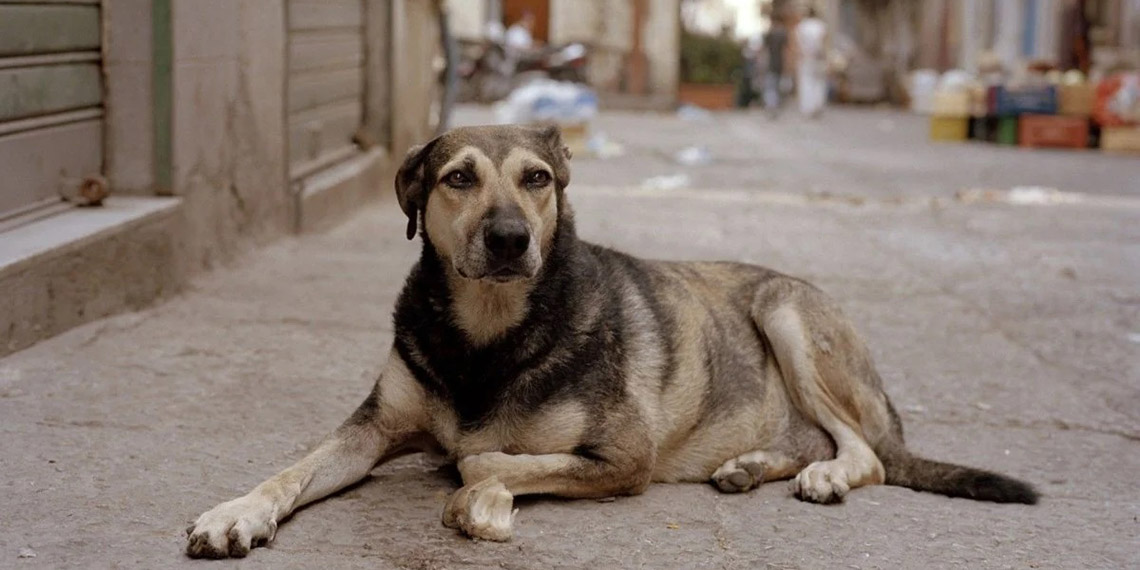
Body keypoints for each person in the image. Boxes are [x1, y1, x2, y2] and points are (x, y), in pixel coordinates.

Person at [793, 7, 828, 118]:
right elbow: (824, 42)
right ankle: (818, 105)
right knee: (819, 82)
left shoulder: (801, 26)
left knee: (806, 82)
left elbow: (797, 44)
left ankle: (807, 107)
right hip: (818, 57)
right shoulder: (820, 25)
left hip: (805, 57)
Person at [763, 11, 790, 117]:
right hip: (779, 63)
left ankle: (771, 106)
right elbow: (786, 50)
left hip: (771, 63)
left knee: (771, 86)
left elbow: (764, 49)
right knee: (776, 85)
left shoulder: (770, 33)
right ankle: (774, 106)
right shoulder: (782, 33)